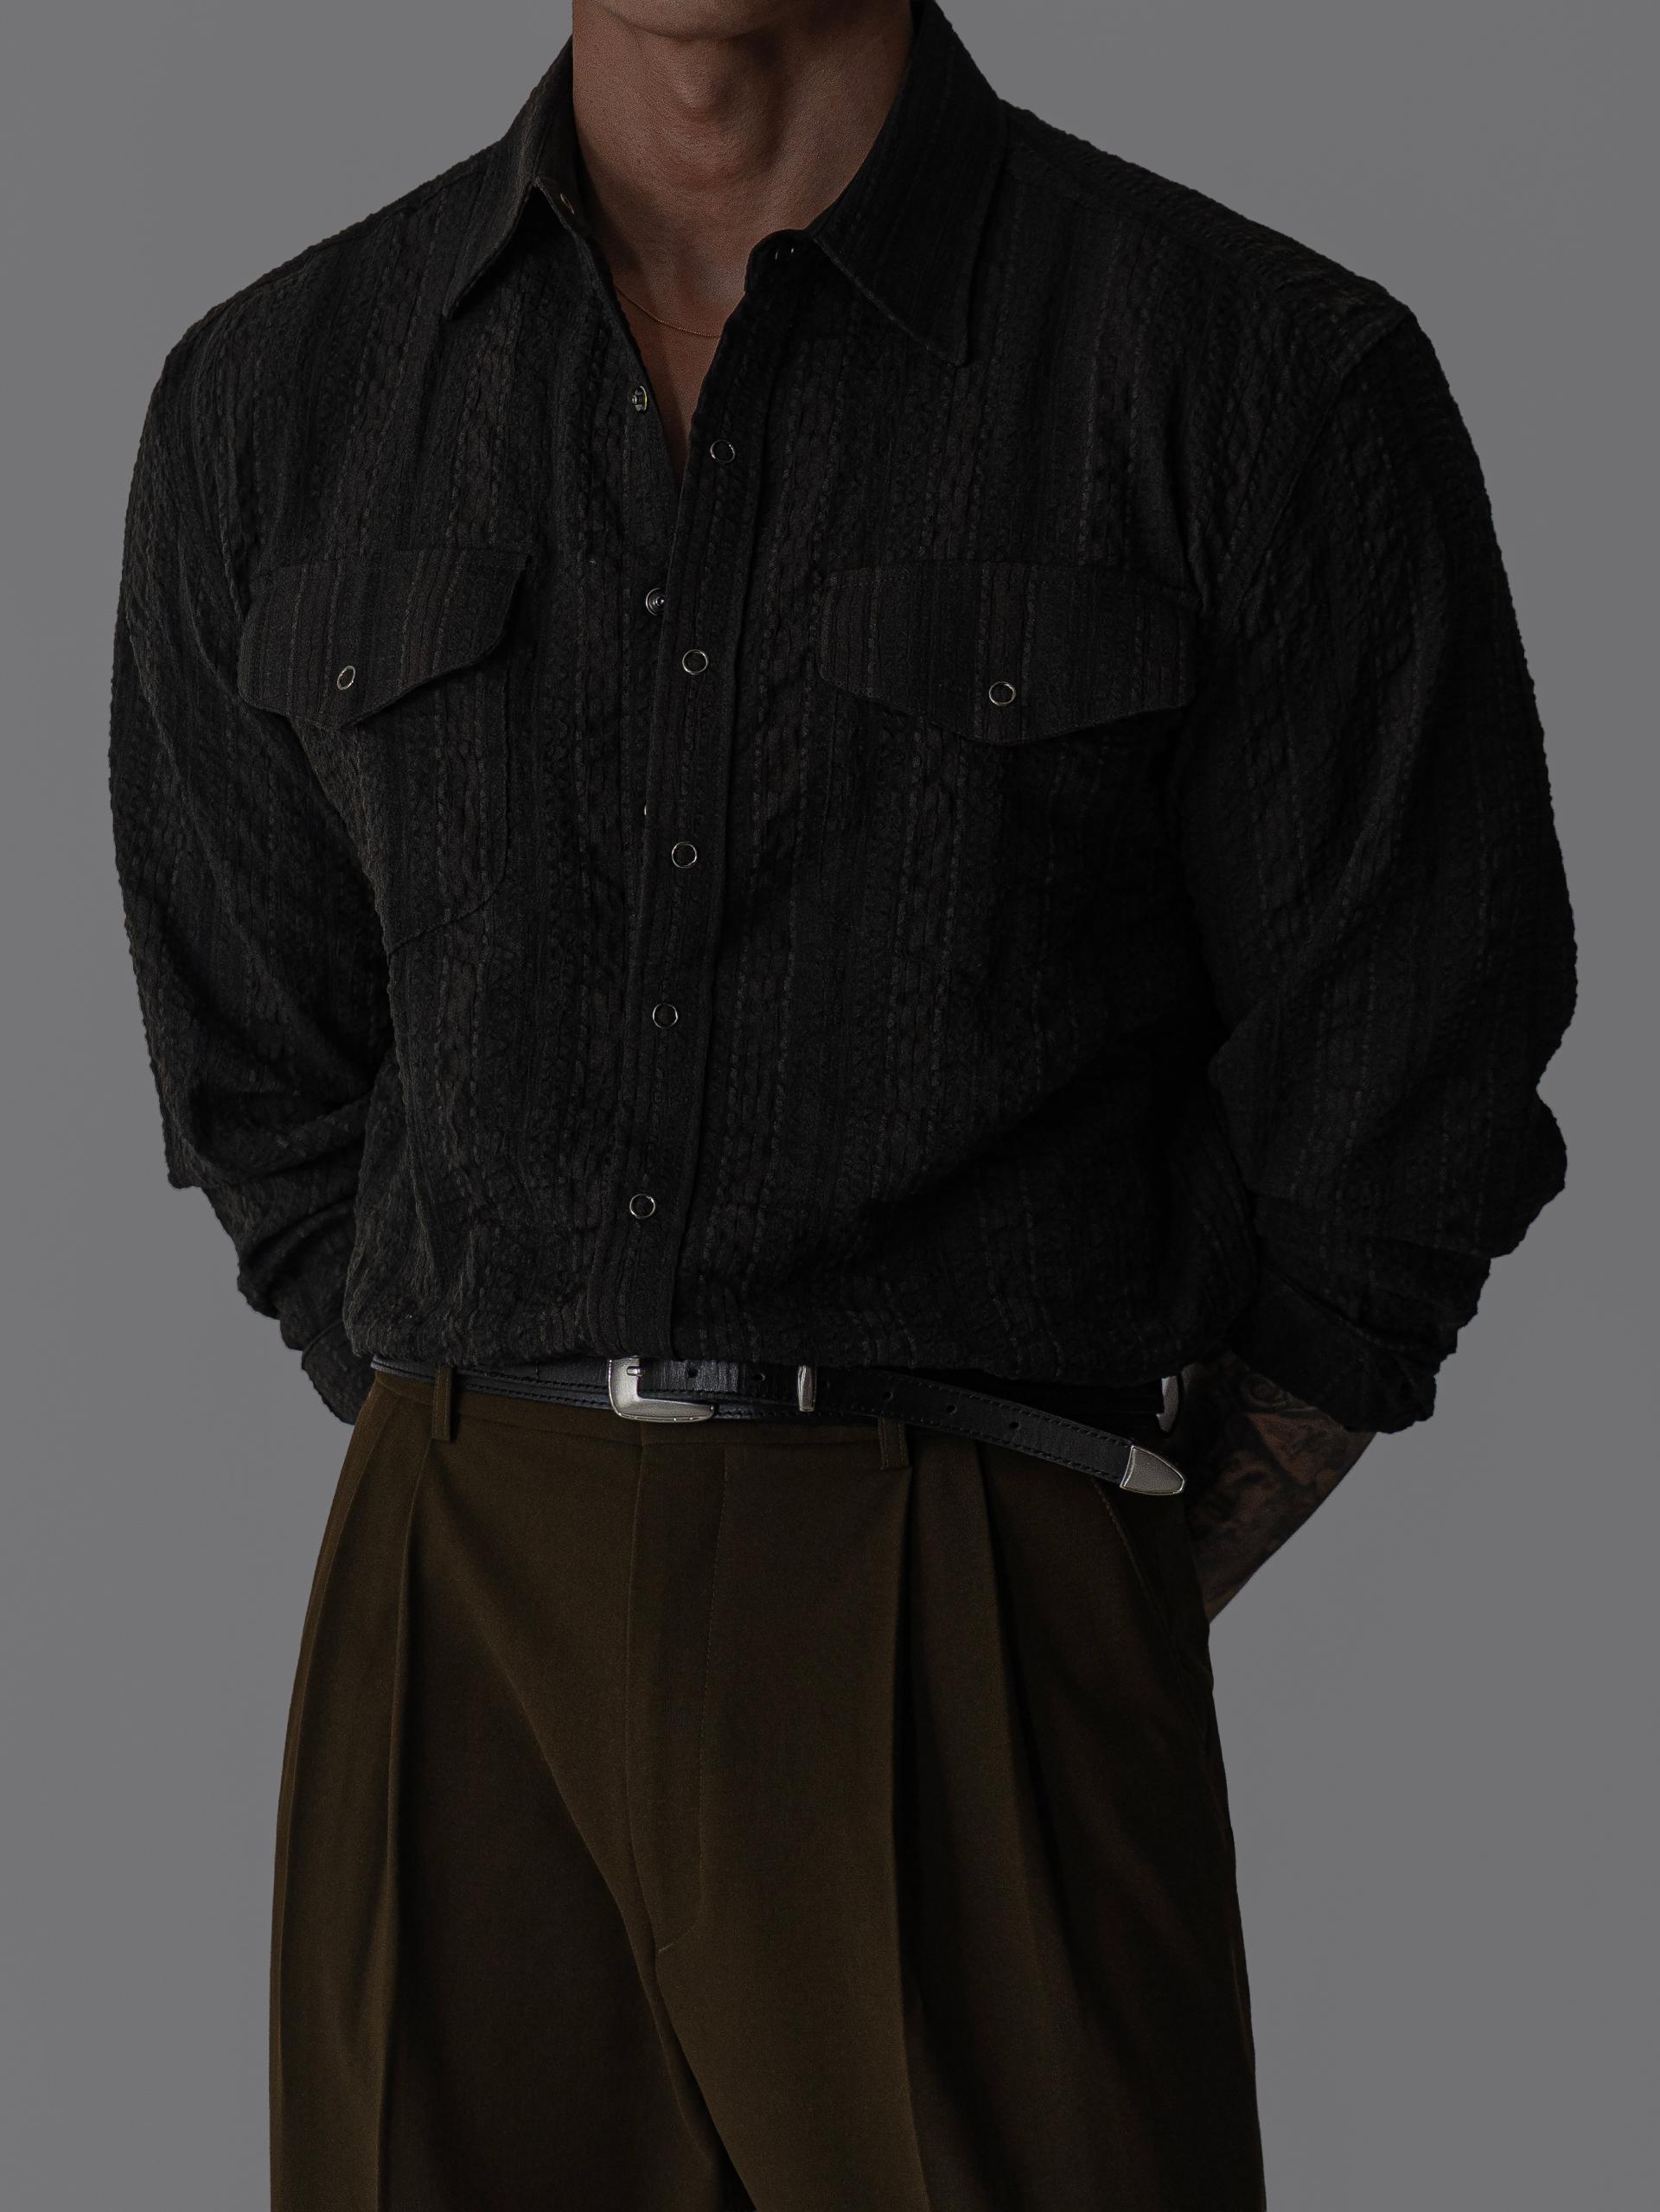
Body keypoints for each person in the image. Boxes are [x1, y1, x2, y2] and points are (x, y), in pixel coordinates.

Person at [106, 1, 1576, 2204]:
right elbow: (265, 1073)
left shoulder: (1250, 375)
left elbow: (1408, 1085)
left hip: (982, 1573)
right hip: (456, 1599)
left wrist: (1056, 1589)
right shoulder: (277, 395)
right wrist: (486, 1450)